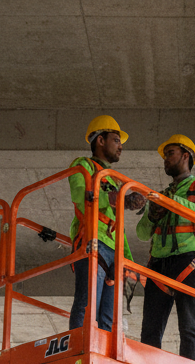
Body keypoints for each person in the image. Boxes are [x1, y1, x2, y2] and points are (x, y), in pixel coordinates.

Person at [136, 134, 195, 362]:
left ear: (186, 156)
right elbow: (142, 233)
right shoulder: (159, 196)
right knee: (150, 331)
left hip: (187, 262)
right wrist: (153, 214)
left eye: (170, 153)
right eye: (164, 155)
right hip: (158, 265)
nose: (165, 159)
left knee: (189, 326)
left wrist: (173, 202)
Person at [67, 116, 144, 332]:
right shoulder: (83, 166)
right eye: (116, 140)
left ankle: (102, 361)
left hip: (112, 249)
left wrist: (127, 259)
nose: (120, 147)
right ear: (100, 140)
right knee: (87, 304)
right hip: (92, 241)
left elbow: (118, 226)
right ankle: (78, 349)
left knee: (108, 316)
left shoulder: (114, 179)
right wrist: (114, 199)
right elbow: (81, 197)